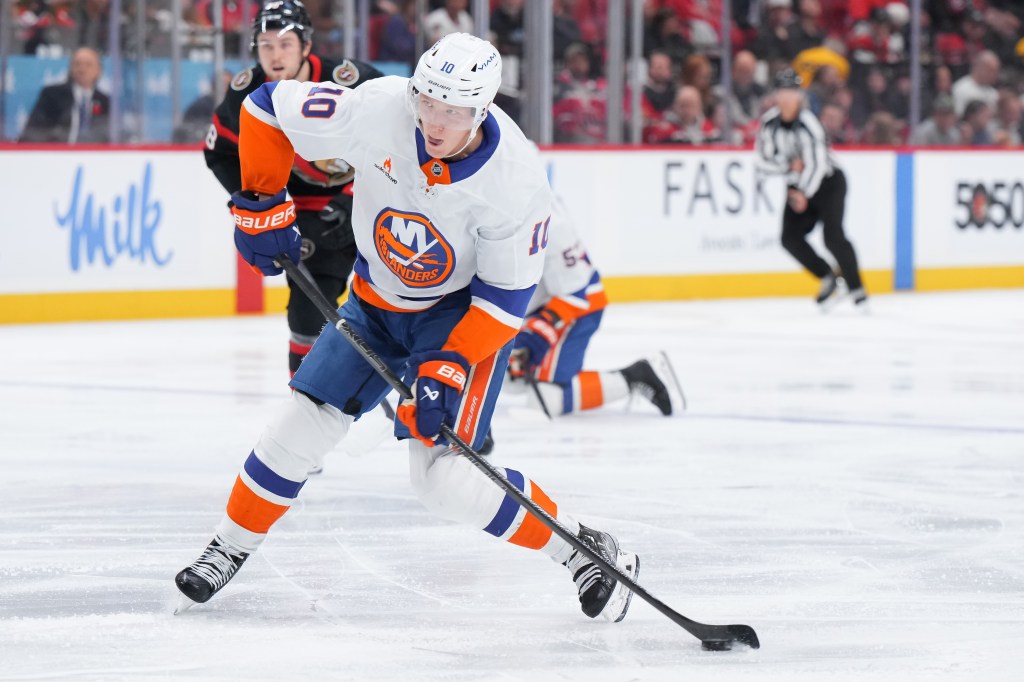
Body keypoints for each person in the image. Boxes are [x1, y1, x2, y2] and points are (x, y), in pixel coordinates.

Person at [175, 32, 640, 625]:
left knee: (442, 481)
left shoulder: (517, 181)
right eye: (428, 101)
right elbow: (265, 107)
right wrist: (262, 199)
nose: (434, 121)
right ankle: (227, 547)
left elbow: (504, 301)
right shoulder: (380, 106)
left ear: (483, 109)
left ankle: (585, 551)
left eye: (453, 111)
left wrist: (447, 365)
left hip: (455, 319)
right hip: (372, 301)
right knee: (299, 426)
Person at [203, 0, 383, 376]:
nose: (276, 55)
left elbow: (398, 141)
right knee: (306, 314)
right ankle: (308, 400)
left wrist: (353, 198)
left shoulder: (350, 81)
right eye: (266, 45)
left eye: (285, 44)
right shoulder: (245, 93)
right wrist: (257, 201)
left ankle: (437, 397)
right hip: (305, 215)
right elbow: (219, 152)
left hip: (371, 201)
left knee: (404, 300)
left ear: (306, 45)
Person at [509, 192, 682, 419]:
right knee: (505, 379)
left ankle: (635, 376)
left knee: (544, 400)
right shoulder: (489, 206)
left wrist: (534, 337)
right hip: (537, 308)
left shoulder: (550, 223)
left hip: (576, 309)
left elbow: (575, 295)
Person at [755, 68, 867, 309]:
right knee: (789, 238)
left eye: (792, 92)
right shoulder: (768, 124)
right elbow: (762, 163)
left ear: (799, 95)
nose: (787, 98)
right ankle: (829, 277)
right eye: (783, 92)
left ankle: (857, 289)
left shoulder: (809, 124)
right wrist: (788, 168)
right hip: (796, 184)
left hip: (828, 183)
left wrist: (803, 192)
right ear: (775, 95)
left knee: (833, 236)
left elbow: (816, 165)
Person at [19, 46, 110, 143]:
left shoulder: (105, 101)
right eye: (77, 64)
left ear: (99, 71)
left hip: (95, 156)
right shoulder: (52, 95)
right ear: (71, 68)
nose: (82, 69)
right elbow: (34, 130)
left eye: (88, 64)